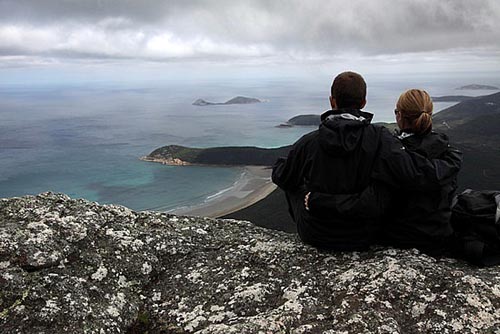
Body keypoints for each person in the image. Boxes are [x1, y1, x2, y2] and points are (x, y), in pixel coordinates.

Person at [272, 72, 462, 251]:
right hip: (362, 235)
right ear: (364, 102)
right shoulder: (381, 139)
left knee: (291, 180)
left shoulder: (309, 142)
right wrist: (451, 161)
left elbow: (282, 176)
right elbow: (414, 171)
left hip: (314, 233)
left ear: (332, 101)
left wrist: (305, 187)